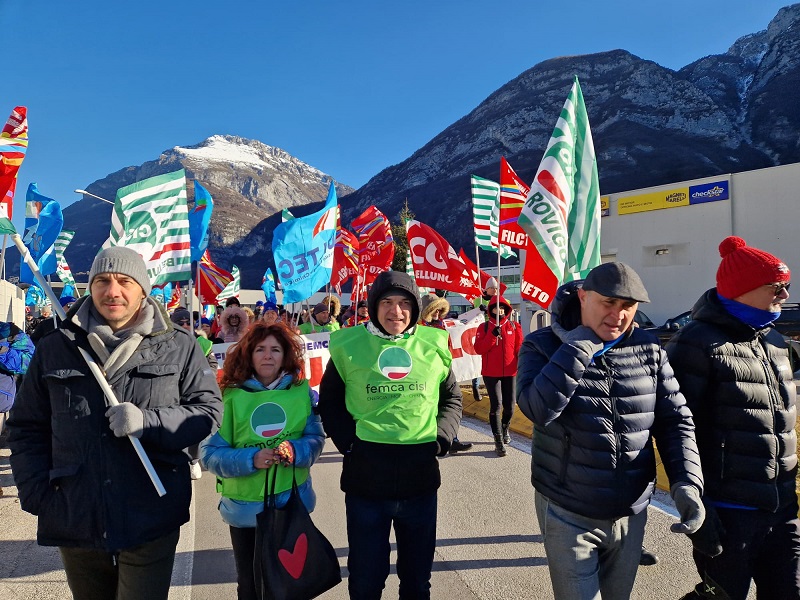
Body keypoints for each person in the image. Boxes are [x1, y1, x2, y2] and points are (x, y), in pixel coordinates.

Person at [7, 246, 223, 600]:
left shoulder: (179, 346)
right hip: (76, 510)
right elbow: (26, 427)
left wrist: (148, 422)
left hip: (151, 510)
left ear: (143, 289)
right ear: (90, 287)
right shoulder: (56, 346)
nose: (113, 291)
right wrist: (38, 495)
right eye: (103, 281)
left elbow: (208, 412)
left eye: (124, 281)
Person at [516, 262, 705, 600]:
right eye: (608, 303)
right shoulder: (542, 345)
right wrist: (576, 349)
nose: (618, 315)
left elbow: (675, 420)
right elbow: (537, 410)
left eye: (628, 306)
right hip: (568, 509)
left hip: (631, 512)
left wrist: (687, 480)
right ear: (583, 296)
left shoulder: (648, 349)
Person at [666, 236, 799, 600]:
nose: (785, 295)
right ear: (743, 289)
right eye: (777, 287)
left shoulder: (773, 340)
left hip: (782, 508)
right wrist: (698, 504)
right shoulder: (696, 342)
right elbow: (675, 429)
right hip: (728, 512)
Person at [319, 271, 462, 599]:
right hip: (366, 484)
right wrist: (350, 444)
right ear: (373, 306)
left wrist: (442, 437)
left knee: (416, 581)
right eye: (386, 302)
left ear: (414, 308)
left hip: (420, 481)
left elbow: (452, 397)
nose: (395, 311)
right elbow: (330, 402)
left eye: (403, 304)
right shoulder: (347, 345)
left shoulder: (433, 343)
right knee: (366, 580)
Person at [201, 322, 325, 600]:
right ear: (248, 354)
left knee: (292, 584)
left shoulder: (300, 392)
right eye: (260, 349)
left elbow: (315, 440)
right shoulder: (228, 397)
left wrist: (296, 451)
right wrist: (251, 458)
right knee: (251, 586)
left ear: (286, 356)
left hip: (291, 506)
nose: (268, 355)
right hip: (246, 512)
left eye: (275, 349)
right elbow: (209, 455)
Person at [419, 294, 472, 454]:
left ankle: (451, 438)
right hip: (426, 372)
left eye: (439, 310)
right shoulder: (418, 328)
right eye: (434, 309)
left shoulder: (442, 325)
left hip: (444, 370)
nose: (437, 313)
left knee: (449, 404)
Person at [171, 307, 219, 480]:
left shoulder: (203, 343)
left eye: (187, 322)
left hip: (195, 392)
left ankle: (193, 460)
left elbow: (212, 366)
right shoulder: (166, 341)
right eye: (180, 322)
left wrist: (200, 378)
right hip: (173, 392)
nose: (184, 325)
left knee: (194, 427)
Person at [474, 295, 522, 457]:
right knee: (496, 406)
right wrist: (492, 335)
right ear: (491, 309)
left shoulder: (515, 326)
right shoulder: (484, 327)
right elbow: (479, 349)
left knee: (509, 407)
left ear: (506, 310)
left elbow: (519, 349)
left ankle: (504, 428)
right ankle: (498, 440)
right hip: (490, 373)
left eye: (502, 308)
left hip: (510, 372)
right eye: (496, 307)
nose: (499, 310)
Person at [471, 277, 499, 401]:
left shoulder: (501, 301)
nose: (494, 290)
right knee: (477, 360)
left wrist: (488, 310)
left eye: (496, 288)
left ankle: (494, 387)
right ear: (487, 289)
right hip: (482, 331)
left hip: (495, 332)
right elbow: (472, 316)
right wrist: (479, 310)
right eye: (492, 288)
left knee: (494, 360)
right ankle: (475, 386)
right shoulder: (478, 301)